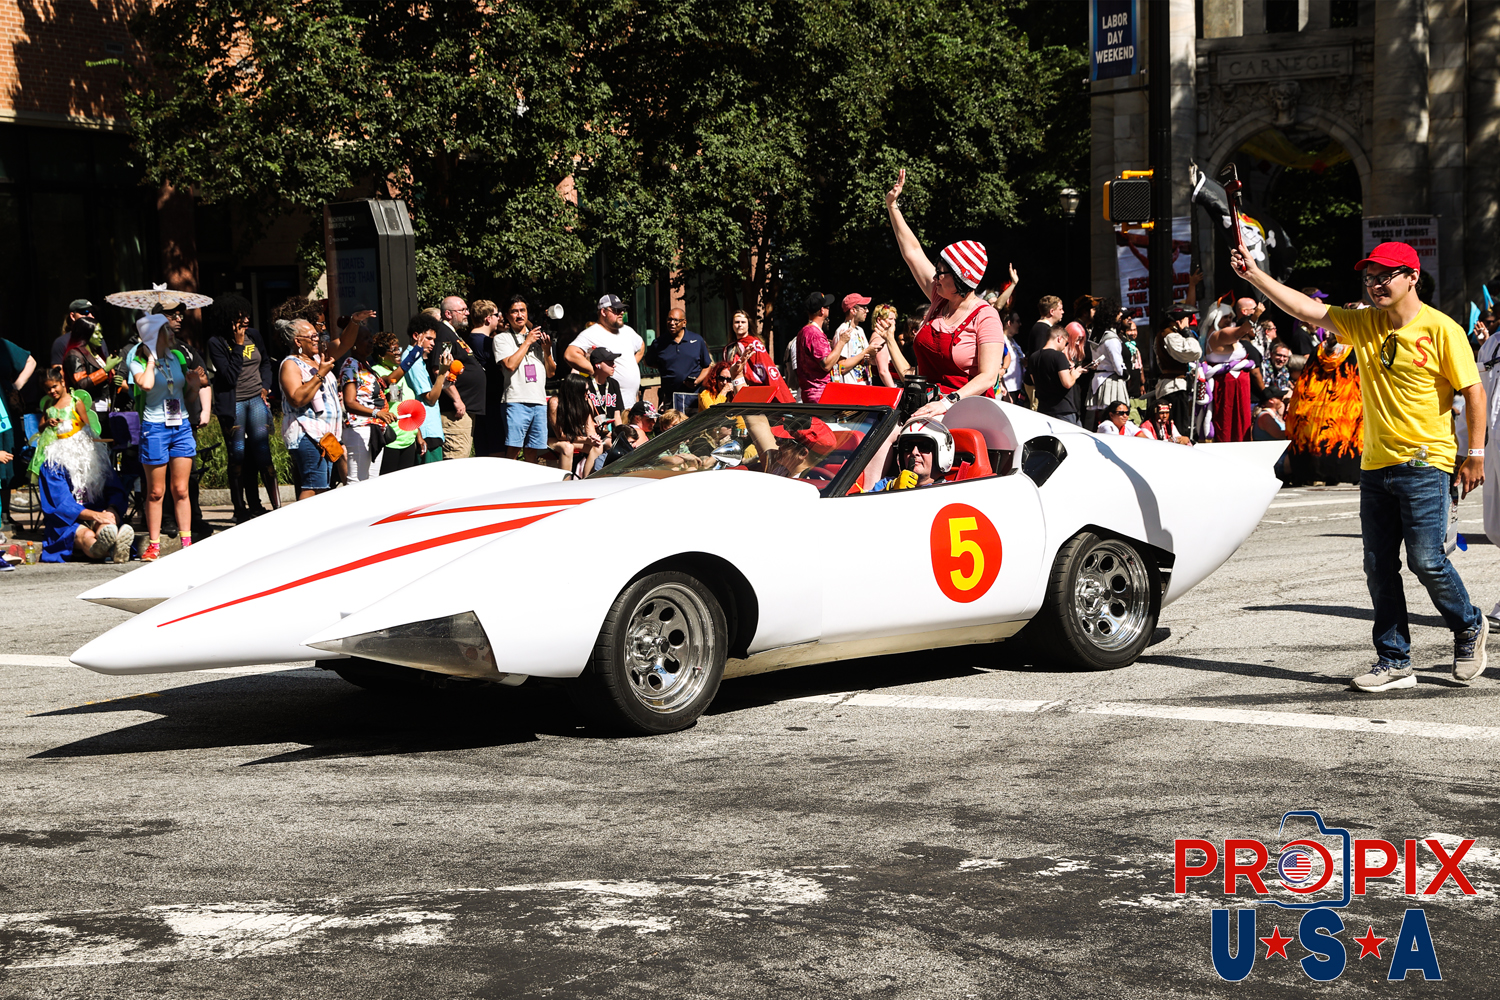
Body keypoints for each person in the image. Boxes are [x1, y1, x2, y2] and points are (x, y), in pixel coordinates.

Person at [1233, 239, 1488, 692]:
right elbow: (1304, 309)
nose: (1375, 285)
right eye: (1370, 277)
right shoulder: (1364, 323)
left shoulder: (1441, 329)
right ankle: (1394, 660)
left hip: (1426, 463)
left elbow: (1474, 392)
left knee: (1427, 561)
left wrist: (1476, 454)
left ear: (1412, 277)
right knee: (1378, 566)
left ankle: (1468, 624)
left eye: (1385, 276)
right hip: (1375, 467)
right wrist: (1254, 274)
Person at [881, 169, 1004, 419]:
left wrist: (948, 402)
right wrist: (892, 206)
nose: (935, 277)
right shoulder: (940, 299)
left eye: (941, 273)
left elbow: (988, 376)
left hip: (966, 412)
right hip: (926, 406)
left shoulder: (986, 317)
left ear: (960, 280)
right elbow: (913, 252)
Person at [31, 367, 133, 563]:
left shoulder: (96, 457)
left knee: (106, 527)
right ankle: (106, 550)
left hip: (99, 512)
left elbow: (115, 490)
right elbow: (59, 504)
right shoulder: (53, 464)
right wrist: (95, 515)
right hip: (69, 522)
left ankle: (114, 543)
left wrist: (111, 512)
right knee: (85, 536)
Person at [125, 312, 205, 560]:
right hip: (155, 428)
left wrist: (195, 386)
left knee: (181, 489)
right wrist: (151, 359)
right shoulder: (137, 361)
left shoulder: (177, 357)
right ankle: (154, 545)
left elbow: (187, 397)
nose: (172, 332)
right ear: (153, 335)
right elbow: (146, 385)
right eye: (166, 330)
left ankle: (187, 543)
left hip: (181, 426)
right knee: (156, 492)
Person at [278, 310, 371, 500]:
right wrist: (320, 374)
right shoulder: (291, 364)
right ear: (298, 342)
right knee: (314, 487)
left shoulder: (320, 357)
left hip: (325, 435)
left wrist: (354, 322)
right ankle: (302, 520)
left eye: (317, 335)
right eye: (312, 336)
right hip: (307, 433)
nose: (317, 339)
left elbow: (344, 343)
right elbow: (296, 398)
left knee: (320, 488)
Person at [206, 294, 280, 521]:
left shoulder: (254, 335)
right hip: (234, 404)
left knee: (262, 455)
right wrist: (238, 346)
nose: (246, 320)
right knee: (238, 456)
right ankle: (240, 509)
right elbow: (229, 376)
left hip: (255, 400)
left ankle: (273, 507)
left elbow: (265, 362)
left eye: (247, 315)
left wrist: (265, 386)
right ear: (227, 318)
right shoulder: (216, 342)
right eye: (240, 317)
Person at [1283, 337, 1362, 486]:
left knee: (1313, 439)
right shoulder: (1356, 350)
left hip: (1313, 406)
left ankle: (1311, 475)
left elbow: (1305, 380)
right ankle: (1341, 475)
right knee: (1340, 440)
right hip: (1346, 405)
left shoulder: (1320, 350)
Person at [494, 294, 556, 463]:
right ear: (507, 316)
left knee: (532, 450)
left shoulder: (539, 338)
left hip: (539, 401)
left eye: (523, 310)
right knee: (514, 449)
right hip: (516, 400)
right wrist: (527, 342)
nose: (519, 315)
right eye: (514, 311)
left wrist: (547, 351)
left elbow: (551, 373)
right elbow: (510, 365)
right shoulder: (502, 338)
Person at [566, 294, 646, 410]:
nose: (621, 313)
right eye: (617, 310)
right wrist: (594, 370)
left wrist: (631, 364)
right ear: (603, 312)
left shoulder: (627, 331)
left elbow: (641, 345)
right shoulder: (592, 333)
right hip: (611, 404)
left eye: (622, 310)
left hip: (631, 403)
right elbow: (570, 354)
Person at [339, 327, 395, 483]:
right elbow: (349, 402)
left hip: (374, 428)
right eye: (365, 338)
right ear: (353, 344)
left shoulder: (365, 365)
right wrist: (377, 413)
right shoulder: (351, 365)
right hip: (359, 429)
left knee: (371, 482)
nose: (371, 341)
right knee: (357, 481)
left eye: (371, 337)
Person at [433, 295, 486, 459]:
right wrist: (456, 399)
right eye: (462, 310)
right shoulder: (443, 334)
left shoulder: (452, 333)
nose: (467, 313)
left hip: (465, 409)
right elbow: (439, 370)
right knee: (456, 459)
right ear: (448, 314)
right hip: (455, 412)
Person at [370, 332, 422, 475]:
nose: (398, 352)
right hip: (391, 440)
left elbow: (404, 404)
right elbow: (388, 382)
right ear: (381, 355)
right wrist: (414, 354)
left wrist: (419, 436)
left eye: (399, 348)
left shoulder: (395, 370)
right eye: (393, 349)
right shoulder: (376, 372)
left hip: (408, 439)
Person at [0, 335, 35, 536]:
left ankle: (5, 513)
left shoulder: (2, 345)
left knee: (7, 459)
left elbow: (30, 361)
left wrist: (15, 386)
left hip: (4, 408)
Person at [646, 307, 714, 403]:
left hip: (693, 396)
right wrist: (664, 367)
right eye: (669, 319)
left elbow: (707, 366)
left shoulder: (697, 340)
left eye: (676, 320)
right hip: (670, 397)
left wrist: (697, 381)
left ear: (684, 323)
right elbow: (647, 362)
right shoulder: (659, 343)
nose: (672, 323)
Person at [1152, 308, 1202, 437]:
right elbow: (1195, 352)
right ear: (1179, 321)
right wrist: (1187, 332)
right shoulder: (1170, 335)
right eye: (1187, 319)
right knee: (1179, 427)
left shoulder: (1167, 334)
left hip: (1173, 385)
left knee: (1176, 426)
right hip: (1174, 387)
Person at [406, 314, 449, 462]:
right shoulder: (413, 361)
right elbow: (430, 398)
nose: (432, 344)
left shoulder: (418, 360)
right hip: (426, 431)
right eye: (429, 339)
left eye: (434, 340)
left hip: (429, 429)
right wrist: (442, 373)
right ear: (416, 336)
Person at [1026, 323, 1089, 423]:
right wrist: (1074, 374)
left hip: (1043, 409)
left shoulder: (1033, 357)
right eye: (1066, 342)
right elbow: (1067, 383)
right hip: (1063, 410)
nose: (1065, 346)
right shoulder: (1059, 356)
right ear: (1059, 338)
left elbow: (1035, 382)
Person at [722, 309, 792, 399]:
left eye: (743, 322)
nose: (740, 325)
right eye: (737, 322)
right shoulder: (728, 348)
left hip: (753, 390)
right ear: (732, 325)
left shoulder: (755, 344)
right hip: (732, 388)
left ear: (748, 325)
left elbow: (765, 368)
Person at [469, 299, 508, 456]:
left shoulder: (469, 340)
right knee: (497, 450)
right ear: (488, 318)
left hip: (480, 402)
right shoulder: (486, 342)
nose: (499, 318)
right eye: (497, 315)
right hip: (493, 402)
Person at [870, 418, 954, 491]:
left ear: (942, 453)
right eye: (908, 446)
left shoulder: (951, 491)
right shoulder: (885, 484)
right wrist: (891, 488)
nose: (914, 452)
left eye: (924, 446)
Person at [794, 291, 847, 403]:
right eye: (827, 307)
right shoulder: (815, 333)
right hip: (820, 395)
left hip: (810, 393)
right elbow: (826, 365)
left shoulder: (804, 331)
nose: (829, 309)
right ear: (822, 310)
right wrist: (842, 342)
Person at [549, 373, 604, 476]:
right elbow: (560, 435)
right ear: (575, 391)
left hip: (573, 439)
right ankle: (565, 483)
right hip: (553, 439)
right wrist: (586, 440)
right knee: (567, 447)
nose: (589, 392)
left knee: (598, 446)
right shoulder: (555, 402)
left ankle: (587, 479)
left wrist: (594, 438)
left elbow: (590, 428)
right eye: (586, 390)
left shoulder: (586, 402)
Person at [831, 293, 881, 386]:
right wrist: (865, 352)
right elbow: (841, 367)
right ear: (853, 310)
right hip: (851, 388)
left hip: (864, 385)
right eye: (864, 308)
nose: (867, 310)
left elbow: (865, 358)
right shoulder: (843, 331)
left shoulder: (860, 330)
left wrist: (872, 355)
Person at [51, 299, 94, 366]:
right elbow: (58, 371)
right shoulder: (61, 343)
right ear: (73, 316)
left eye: (92, 312)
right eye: (85, 312)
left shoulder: (99, 340)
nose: (91, 316)